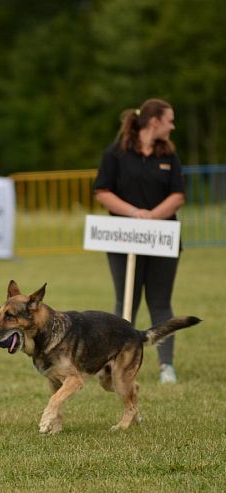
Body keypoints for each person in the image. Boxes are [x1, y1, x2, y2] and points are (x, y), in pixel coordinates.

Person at [93, 98, 185, 384]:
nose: (172, 125)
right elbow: (102, 191)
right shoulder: (116, 153)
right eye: (169, 120)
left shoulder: (169, 155)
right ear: (154, 121)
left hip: (163, 239)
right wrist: (134, 213)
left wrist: (152, 217)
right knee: (126, 302)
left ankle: (166, 365)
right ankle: (115, 362)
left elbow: (178, 195)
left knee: (160, 302)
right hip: (123, 240)